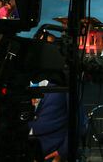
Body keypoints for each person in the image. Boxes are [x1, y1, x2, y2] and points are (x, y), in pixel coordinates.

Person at [28, 32, 69, 162]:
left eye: (49, 45)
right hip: (26, 149)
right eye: (41, 44)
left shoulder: (65, 81)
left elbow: (78, 122)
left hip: (52, 151)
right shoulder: (23, 79)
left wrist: (63, 152)